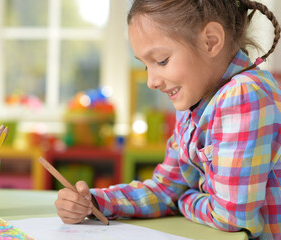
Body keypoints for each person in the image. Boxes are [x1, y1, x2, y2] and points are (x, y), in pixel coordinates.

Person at [54, 0, 281, 239]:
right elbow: (165, 190)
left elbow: (231, 217)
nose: (152, 81)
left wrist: (184, 199)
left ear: (210, 41)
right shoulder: (192, 104)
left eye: (161, 61)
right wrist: (96, 201)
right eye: (145, 66)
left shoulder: (245, 96)